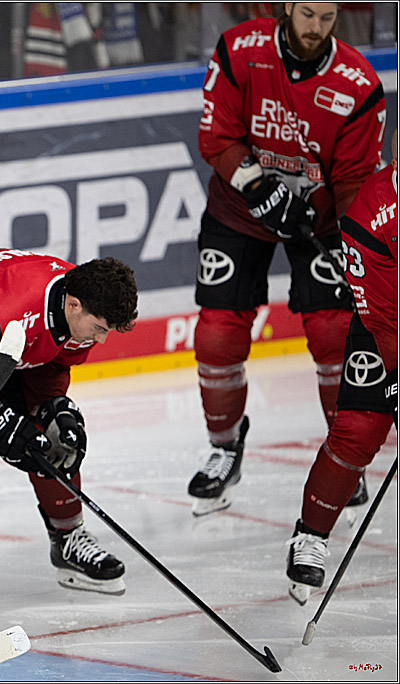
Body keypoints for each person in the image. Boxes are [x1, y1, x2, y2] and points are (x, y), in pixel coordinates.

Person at [189, 2, 386, 515]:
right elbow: (216, 136)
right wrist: (256, 184)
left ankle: (344, 460)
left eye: (325, 17)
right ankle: (224, 447)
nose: (315, 28)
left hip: (315, 223)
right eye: (306, 14)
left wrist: (349, 240)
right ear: (285, 7)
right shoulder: (239, 50)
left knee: (332, 332)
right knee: (216, 332)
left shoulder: (358, 84)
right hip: (237, 209)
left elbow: (354, 184)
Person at [0, 238, 139, 596]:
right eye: (100, 329)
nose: (101, 340)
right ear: (73, 305)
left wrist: (51, 404)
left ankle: (68, 538)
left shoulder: (84, 308)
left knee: (55, 434)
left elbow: (52, 361)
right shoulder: (9, 310)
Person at [285, 131, 397, 605]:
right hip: (386, 326)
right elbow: (381, 317)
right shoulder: (371, 212)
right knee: (357, 429)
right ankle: (310, 536)